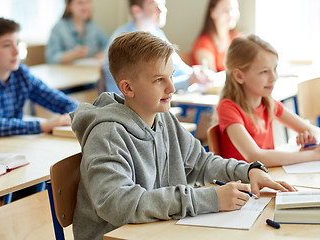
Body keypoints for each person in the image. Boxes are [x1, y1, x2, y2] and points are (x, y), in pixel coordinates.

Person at [70, 31, 295, 240]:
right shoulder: (108, 135)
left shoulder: (163, 118)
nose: (171, 88)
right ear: (128, 88)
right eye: (159, 80)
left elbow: (201, 162)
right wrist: (209, 199)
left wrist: (248, 171)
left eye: (171, 77)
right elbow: (120, 204)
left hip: (158, 229)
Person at [216, 34, 320, 167]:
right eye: (264, 71)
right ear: (239, 76)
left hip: (267, 176)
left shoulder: (267, 102)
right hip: (243, 183)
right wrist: (315, 155)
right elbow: (255, 156)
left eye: (275, 69)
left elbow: (315, 130)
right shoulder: (228, 108)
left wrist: (311, 138)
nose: (273, 77)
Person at [0, 17, 79, 141]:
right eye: (6, 45)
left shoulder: (21, 74)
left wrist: (71, 116)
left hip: (12, 146)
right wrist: (42, 126)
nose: (16, 51)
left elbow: (65, 103)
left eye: (17, 43)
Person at [102, 0, 211, 93]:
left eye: (162, 4)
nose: (162, 10)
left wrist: (197, 74)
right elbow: (148, 89)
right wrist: (189, 80)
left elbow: (178, 68)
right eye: (154, 5)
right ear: (137, 11)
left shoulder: (156, 33)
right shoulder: (127, 42)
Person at [45, 0, 108, 64]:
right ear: (69, 6)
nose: (86, 6)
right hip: (67, 72)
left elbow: (108, 46)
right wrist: (74, 54)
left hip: (89, 71)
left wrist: (103, 54)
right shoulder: (58, 29)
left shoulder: (94, 27)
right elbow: (52, 59)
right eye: (80, 3)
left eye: (88, 2)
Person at [191, 0, 241, 72]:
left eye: (235, 9)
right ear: (213, 12)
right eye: (225, 10)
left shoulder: (238, 38)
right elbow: (211, 79)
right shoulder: (203, 44)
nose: (231, 14)